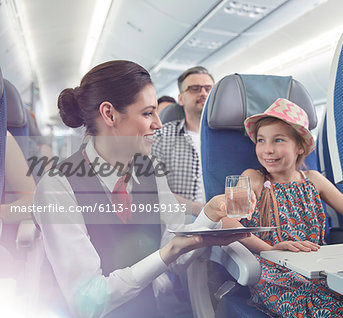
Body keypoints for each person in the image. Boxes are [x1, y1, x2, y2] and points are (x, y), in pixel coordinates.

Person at [33, 60, 247, 318]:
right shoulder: (57, 186)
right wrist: (167, 252)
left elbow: (177, 259)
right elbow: (88, 302)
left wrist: (209, 218)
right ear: (109, 114)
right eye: (147, 113)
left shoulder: (152, 171)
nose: (158, 124)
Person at [223, 98, 343, 317]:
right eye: (261, 140)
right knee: (329, 309)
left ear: (300, 146)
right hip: (275, 271)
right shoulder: (253, 178)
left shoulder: (313, 179)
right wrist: (270, 249)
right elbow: (228, 221)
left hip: (318, 267)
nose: (267, 150)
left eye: (278, 140)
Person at [152, 66, 214, 206]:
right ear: (181, 99)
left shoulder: (229, 137)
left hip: (226, 220)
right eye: (195, 88)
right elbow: (155, 189)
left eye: (208, 88)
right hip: (182, 221)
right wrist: (200, 211)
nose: (203, 93)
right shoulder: (161, 136)